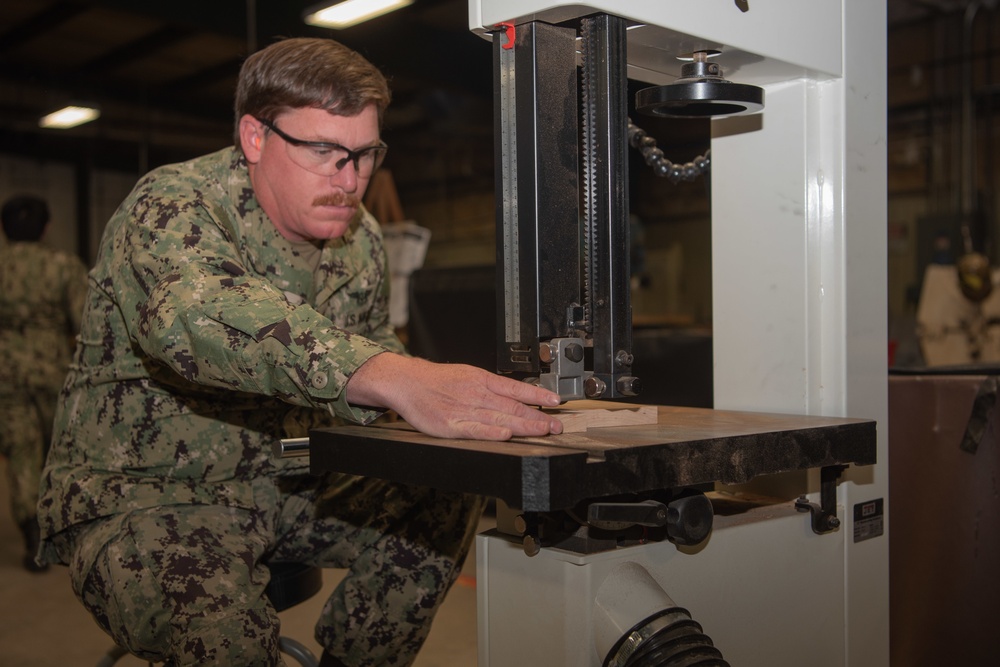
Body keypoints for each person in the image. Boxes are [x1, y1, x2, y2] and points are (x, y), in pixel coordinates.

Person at [37, 37, 563, 667]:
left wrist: (452, 405)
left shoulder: (360, 241)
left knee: (449, 485)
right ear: (255, 137)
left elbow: (375, 353)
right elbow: (197, 316)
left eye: (365, 154)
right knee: (227, 642)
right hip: (148, 498)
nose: (350, 180)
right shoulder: (172, 206)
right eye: (324, 152)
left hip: (288, 487)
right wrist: (385, 373)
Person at [0, 195, 88, 572]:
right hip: (54, 369)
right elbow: (86, 322)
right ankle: (61, 528)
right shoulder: (63, 266)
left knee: (21, 450)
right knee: (61, 453)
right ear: (46, 227)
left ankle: (31, 533)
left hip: (5, 371)